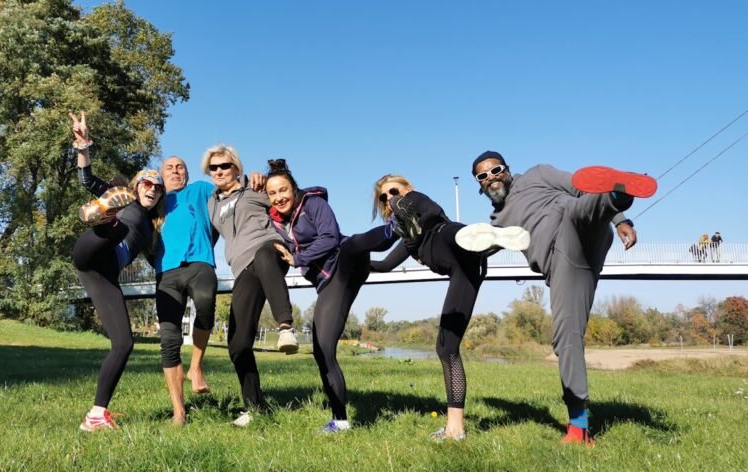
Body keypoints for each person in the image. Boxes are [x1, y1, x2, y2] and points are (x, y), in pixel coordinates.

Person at [467, 150, 656, 445]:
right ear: (479, 186)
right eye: (483, 176)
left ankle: (618, 195)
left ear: (507, 169)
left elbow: (580, 186)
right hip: (562, 267)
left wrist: (621, 220)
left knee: (578, 209)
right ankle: (578, 428)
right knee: (565, 336)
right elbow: (474, 249)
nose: (492, 177)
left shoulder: (538, 174)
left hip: (575, 226)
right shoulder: (498, 225)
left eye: (496, 170)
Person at [365, 174, 528, 442]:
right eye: (383, 198)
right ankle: (455, 429)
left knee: (452, 232)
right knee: (446, 348)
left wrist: (415, 219)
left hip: (447, 236)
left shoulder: (415, 200)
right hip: (465, 269)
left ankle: (485, 237)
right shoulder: (409, 239)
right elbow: (384, 265)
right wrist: (356, 261)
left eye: (393, 191)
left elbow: (430, 213)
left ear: (407, 189)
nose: (389, 198)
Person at [264, 160, 401, 433]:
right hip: (328, 283)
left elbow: (328, 237)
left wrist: (298, 258)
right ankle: (340, 421)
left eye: (284, 190)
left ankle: (395, 228)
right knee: (322, 350)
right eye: (272, 193)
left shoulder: (314, 204)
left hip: (344, 263)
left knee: (350, 244)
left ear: (294, 189)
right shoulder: (278, 221)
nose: (279, 197)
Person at [70, 112, 165, 432]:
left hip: (103, 274)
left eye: (157, 188)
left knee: (124, 343)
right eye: (147, 183)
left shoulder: (153, 232)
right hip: (92, 248)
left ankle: (96, 415)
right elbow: (86, 179)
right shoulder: (126, 199)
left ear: (160, 197)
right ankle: (103, 217)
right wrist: (83, 145)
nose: (151, 189)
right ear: (138, 186)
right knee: (111, 229)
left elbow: (158, 264)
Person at [205, 145, 298, 427]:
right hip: (242, 267)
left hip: (270, 250)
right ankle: (256, 409)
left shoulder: (254, 188)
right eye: (214, 167)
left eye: (225, 165)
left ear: (237, 167)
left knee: (262, 253)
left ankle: (286, 327)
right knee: (238, 343)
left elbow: (289, 200)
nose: (220, 171)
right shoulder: (212, 204)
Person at [154, 153, 220, 425]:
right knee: (169, 341)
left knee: (205, 301)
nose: (175, 170)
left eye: (180, 166)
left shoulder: (200, 190)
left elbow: (229, 189)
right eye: (169, 167)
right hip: (166, 272)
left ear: (187, 173)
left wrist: (253, 179)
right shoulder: (155, 201)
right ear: (162, 174)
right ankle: (179, 410)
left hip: (200, 263)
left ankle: (196, 367)